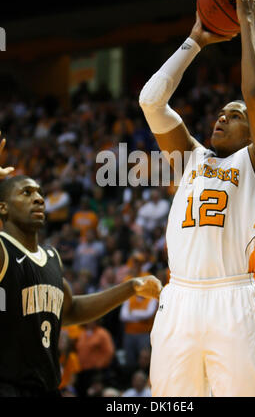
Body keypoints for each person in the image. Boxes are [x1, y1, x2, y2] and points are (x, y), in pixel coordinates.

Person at [139, 0, 255, 397]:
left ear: (254, 130)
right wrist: (195, 40)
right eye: (220, 114)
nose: (222, 118)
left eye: (235, 115)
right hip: (180, 299)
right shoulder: (191, 157)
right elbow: (151, 101)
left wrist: (247, 22)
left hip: (233, 300)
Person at [0, 152, 162, 397]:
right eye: (26, 193)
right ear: (3, 207)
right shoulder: (3, 249)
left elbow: (71, 310)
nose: (38, 199)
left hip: (48, 387)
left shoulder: (51, 257)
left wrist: (130, 288)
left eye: (39, 193)